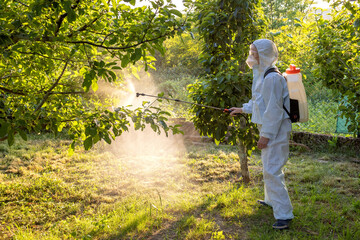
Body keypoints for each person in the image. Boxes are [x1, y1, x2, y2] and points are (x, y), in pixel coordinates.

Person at [229, 39, 294, 230]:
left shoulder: (272, 78)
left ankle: (284, 215)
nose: (251, 55)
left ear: (264, 54)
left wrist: (265, 136)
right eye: (251, 50)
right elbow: (259, 102)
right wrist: (242, 109)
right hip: (270, 128)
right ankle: (271, 200)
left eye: (254, 51)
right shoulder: (262, 74)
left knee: (273, 170)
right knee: (268, 166)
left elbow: (274, 111)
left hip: (275, 130)